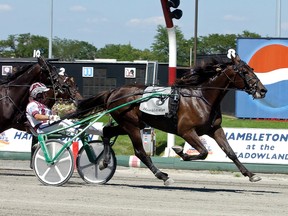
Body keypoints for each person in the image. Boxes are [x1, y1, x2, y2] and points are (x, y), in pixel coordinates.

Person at [26, 82, 110, 168]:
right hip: (42, 128)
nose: (45, 95)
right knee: (63, 123)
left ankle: (101, 131)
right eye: (43, 93)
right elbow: (37, 116)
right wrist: (50, 117)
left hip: (49, 126)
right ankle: (77, 130)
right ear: (38, 94)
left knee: (78, 123)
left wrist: (58, 114)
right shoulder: (32, 105)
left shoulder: (43, 105)